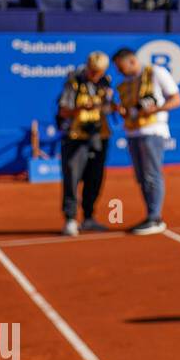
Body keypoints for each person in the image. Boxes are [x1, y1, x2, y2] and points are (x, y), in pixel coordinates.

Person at [114, 48, 180, 235]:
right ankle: (150, 215)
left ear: (131, 61)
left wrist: (155, 110)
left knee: (152, 174)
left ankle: (155, 218)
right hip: (133, 132)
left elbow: (176, 99)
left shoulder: (156, 72)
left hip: (153, 130)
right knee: (142, 177)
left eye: (121, 67)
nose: (119, 72)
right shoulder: (125, 84)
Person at [57, 52, 116, 236]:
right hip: (75, 136)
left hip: (99, 136)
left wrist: (109, 104)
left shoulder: (105, 82)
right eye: (92, 72)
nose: (95, 75)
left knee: (95, 178)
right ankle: (70, 219)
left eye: (99, 72)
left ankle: (89, 217)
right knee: (72, 178)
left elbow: (109, 107)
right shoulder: (73, 83)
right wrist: (81, 109)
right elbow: (63, 111)